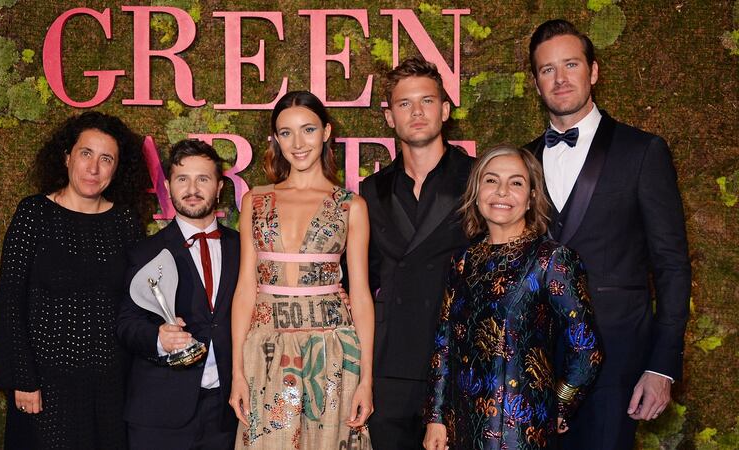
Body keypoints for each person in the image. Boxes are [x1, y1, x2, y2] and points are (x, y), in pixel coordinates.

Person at [524, 19, 691, 449]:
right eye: (547, 70)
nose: (560, 79)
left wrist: (662, 366)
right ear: (535, 82)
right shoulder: (520, 161)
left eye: (571, 65)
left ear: (593, 71)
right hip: (532, 363)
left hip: (617, 361)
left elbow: (671, 265)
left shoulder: (643, 151)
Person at [0, 111, 152, 449]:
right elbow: (10, 301)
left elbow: (135, 303)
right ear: (67, 157)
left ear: (117, 168)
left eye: (106, 158)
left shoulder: (125, 221)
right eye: (86, 154)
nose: (93, 168)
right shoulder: (34, 213)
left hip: (109, 388)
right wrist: (23, 377)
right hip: (45, 387)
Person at [423, 144, 602, 450]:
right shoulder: (463, 261)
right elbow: (444, 345)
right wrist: (436, 418)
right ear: (476, 191)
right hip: (461, 428)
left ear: (532, 196)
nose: (502, 192)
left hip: (521, 431)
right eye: (491, 180)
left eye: (516, 182)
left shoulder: (551, 260)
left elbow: (586, 349)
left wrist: (557, 405)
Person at [229, 90, 375, 449]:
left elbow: (360, 294)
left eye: (308, 130)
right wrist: (237, 372)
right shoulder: (255, 200)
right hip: (265, 345)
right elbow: (247, 287)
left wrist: (366, 379)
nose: (298, 143)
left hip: (332, 346)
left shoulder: (350, 206)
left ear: (326, 132)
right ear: (275, 139)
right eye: (286, 132)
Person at [360, 56, 474, 449]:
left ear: (444, 109)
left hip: (459, 361)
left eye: (426, 101)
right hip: (388, 364)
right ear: (390, 116)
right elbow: (360, 280)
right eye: (404, 104)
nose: (417, 112)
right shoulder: (370, 190)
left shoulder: (480, 180)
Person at [116, 139, 239, 450]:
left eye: (203, 179)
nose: (192, 188)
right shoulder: (146, 251)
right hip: (160, 413)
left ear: (220, 186)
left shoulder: (244, 248)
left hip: (227, 411)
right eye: (183, 179)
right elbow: (126, 324)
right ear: (168, 186)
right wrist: (159, 339)